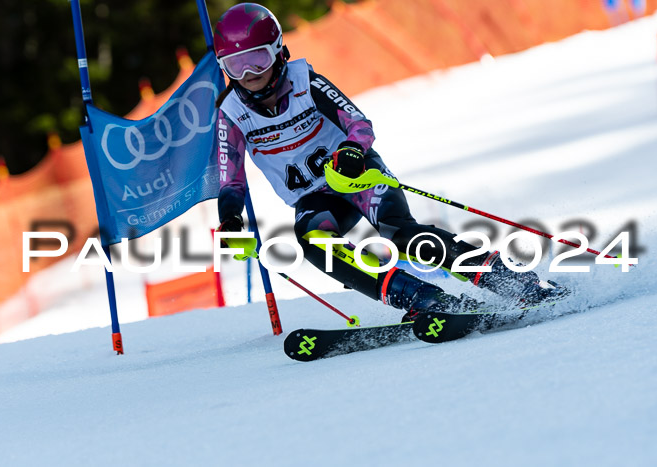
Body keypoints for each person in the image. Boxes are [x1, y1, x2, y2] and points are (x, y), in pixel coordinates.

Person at [213, 3, 566, 321]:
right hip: (316, 198)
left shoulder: (306, 82)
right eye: (235, 66)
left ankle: (510, 280)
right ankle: (419, 297)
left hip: (356, 177)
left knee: (400, 233)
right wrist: (229, 217)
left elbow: (358, 123)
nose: (248, 75)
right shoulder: (231, 113)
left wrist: (351, 151)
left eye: (256, 60)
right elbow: (231, 179)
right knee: (316, 243)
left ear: (278, 51)